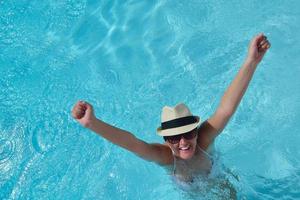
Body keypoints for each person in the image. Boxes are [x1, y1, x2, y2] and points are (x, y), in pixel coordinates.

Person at [71, 33, 270, 182]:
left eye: (188, 133)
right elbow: (132, 143)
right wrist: (92, 123)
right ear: (166, 139)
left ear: (195, 130)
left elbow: (225, 109)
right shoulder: (165, 156)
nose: (183, 142)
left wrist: (251, 62)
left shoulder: (203, 140)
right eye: (174, 137)